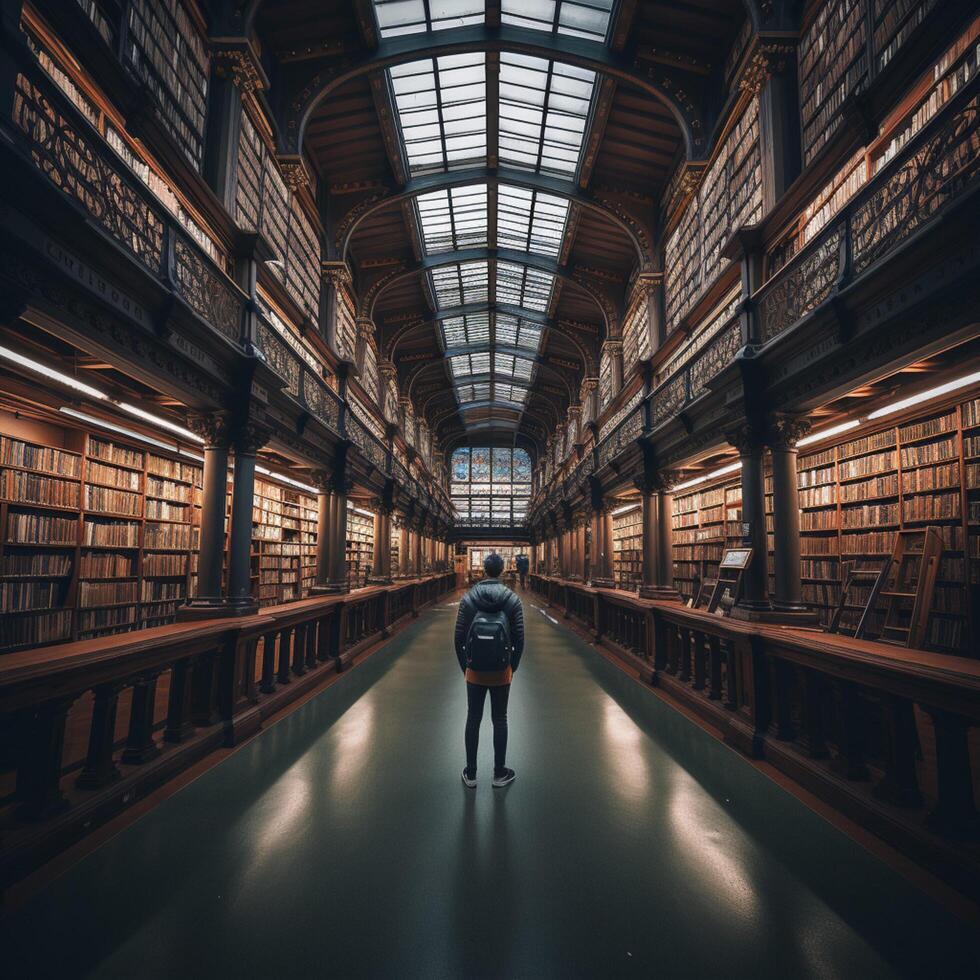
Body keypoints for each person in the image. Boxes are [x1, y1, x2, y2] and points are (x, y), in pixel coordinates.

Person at [454, 552, 524, 788]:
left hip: (474, 670)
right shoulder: (512, 600)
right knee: (500, 719)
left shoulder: (468, 599)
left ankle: (471, 774)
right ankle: (499, 773)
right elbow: (520, 639)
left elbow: (458, 638)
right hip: (501, 670)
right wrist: (511, 667)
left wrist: (467, 666)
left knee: (473, 718)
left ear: (484, 570)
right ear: (502, 570)